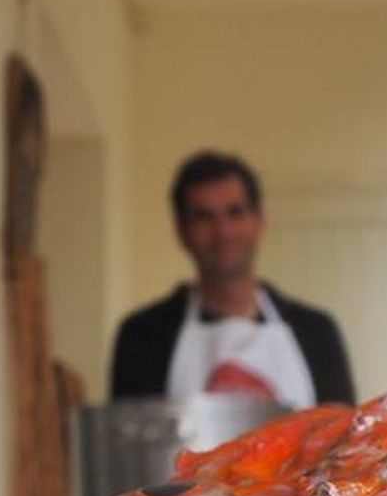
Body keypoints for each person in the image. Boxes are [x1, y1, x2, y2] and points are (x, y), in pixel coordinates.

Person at [109, 150, 355, 408]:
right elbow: (128, 433)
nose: (223, 232)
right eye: (204, 217)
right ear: (181, 231)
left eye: (235, 213)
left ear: (259, 221)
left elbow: (345, 430)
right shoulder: (142, 337)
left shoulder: (317, 333)